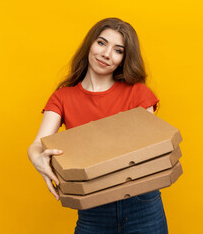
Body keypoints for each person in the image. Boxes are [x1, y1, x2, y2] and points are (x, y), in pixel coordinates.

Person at [27, 17, 168, 234]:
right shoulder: (63, 97)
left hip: (143, 205)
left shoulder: (137, 93)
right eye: (102, 43)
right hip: (93, 206)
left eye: (118, 50)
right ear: (90, 45)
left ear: (123, 59)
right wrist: (36, 157)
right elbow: (38, 144)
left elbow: (148, 151)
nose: (106, 54)